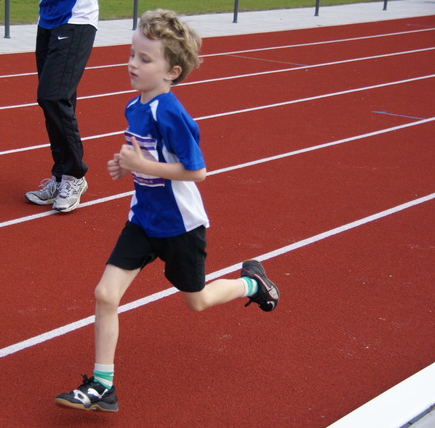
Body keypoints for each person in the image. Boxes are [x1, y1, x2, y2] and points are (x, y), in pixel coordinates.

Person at [54, 9, 280, 413]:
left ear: (172, 71)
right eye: (131, 54)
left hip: (180, 226)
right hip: (143, 220)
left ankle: (252, 283)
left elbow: (197, 171)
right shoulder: (135, 106)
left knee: (196, 301)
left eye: (144, 59)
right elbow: (143, 157)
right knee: (105, 294)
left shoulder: (172, 114)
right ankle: (103, 385)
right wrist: (124, 166)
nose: (132, 64)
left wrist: (143, 166)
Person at [0, 0, 98, 212]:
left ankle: (74, 176)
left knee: (53, 97)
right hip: (48, 21)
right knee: (56, 101)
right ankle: (62, 175)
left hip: (75, 20)